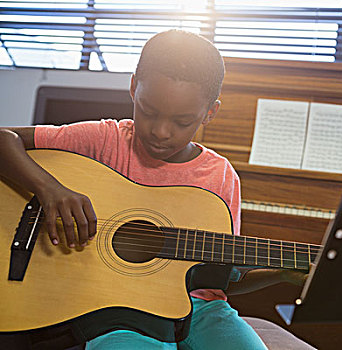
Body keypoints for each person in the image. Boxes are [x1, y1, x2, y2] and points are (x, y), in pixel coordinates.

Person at [0, 29, 306, 349]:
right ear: (134, 88)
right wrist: (50, 190)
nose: (161, 131)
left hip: (203, 309)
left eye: (182, 121)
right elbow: (4, 137)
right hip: (114, 308)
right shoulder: (105, 140)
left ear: (210, 113)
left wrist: (280, 273)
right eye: (148, 111)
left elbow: (222, 273)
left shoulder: (220, 177)